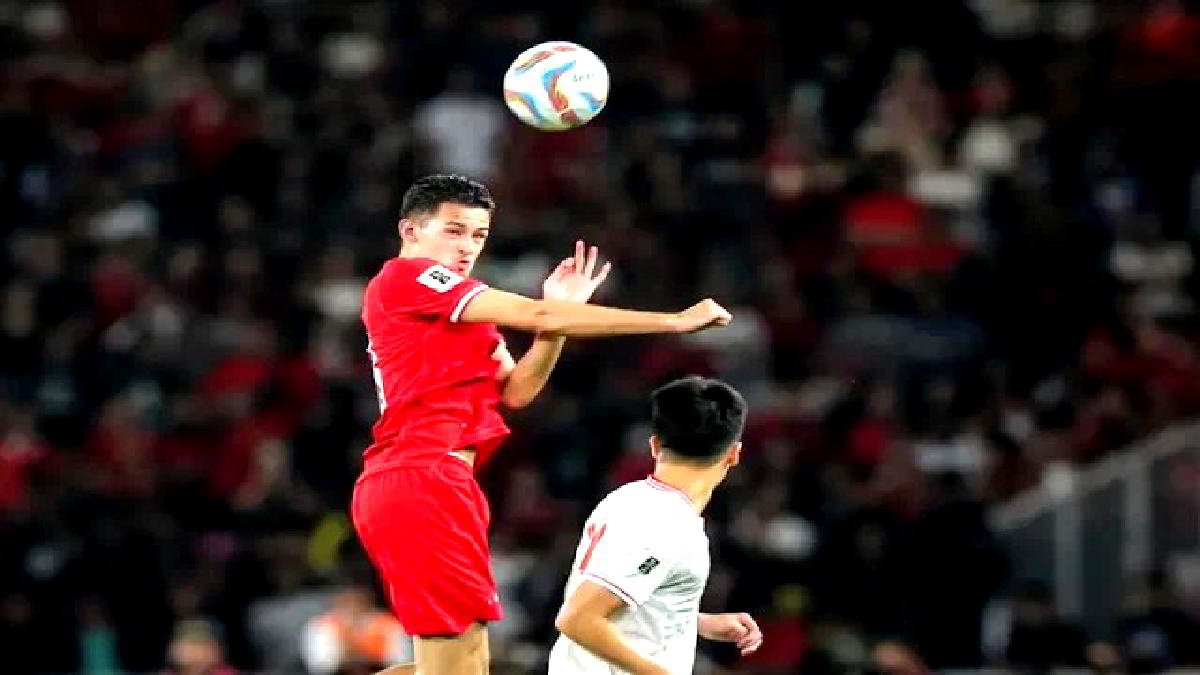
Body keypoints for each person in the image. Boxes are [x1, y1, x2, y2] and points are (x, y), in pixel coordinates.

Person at [352, 174, 733, 674]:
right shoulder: (407, 279)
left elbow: (518, 390)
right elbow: (532, 311)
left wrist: (561, 320)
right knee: (457, 667)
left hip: (435, 481)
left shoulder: (467, 316)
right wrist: (673, 322)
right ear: (410, 231)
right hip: (421, 476)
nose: (467, 246)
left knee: (457, 665)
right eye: (454, 230)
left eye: (478, 235)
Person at [549, 376, 763, 674]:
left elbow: (620, 601)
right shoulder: (666, 524)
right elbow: (577, 619)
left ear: (655, 444)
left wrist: (693, 621)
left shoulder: (628, 497)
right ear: (734, 454)